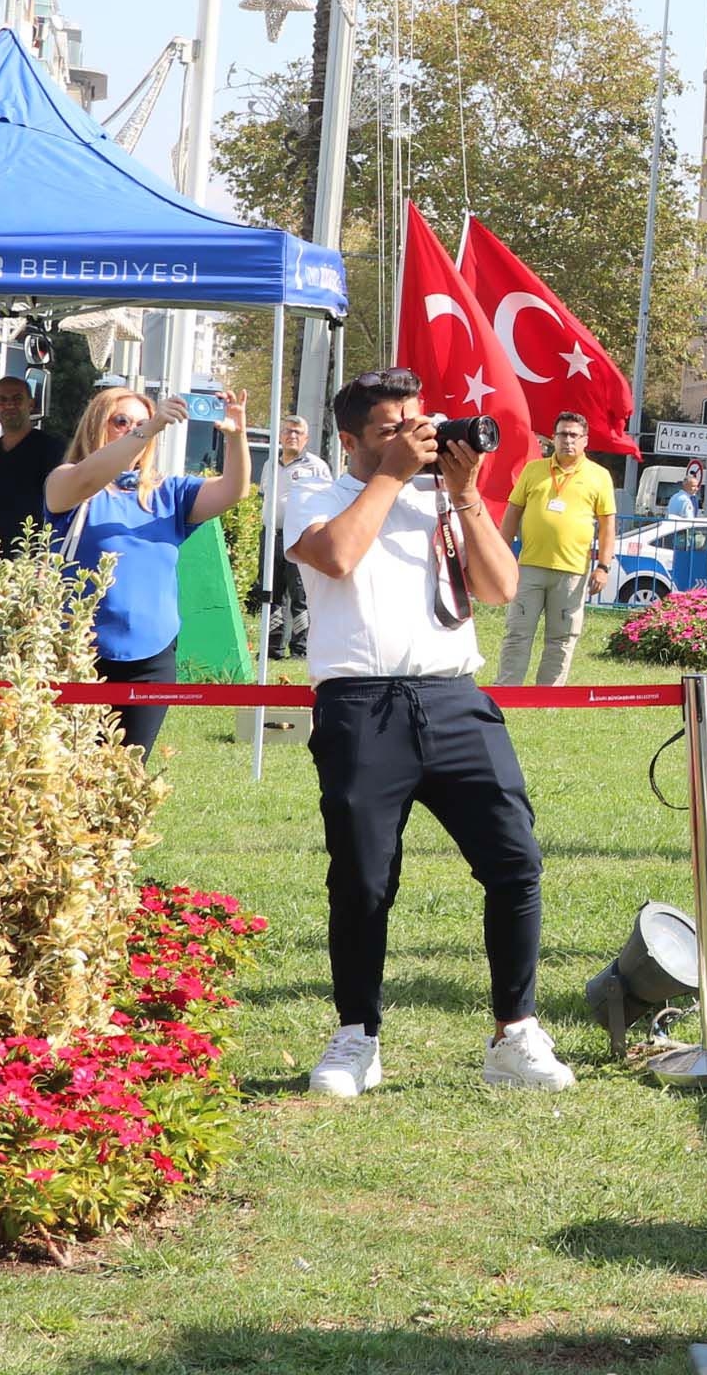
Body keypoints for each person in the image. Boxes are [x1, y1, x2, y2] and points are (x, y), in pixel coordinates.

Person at [286, 367, 571, 1098]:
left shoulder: (442, 498)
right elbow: (338, 556)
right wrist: (391, 475)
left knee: (516, 861)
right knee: (363, 879)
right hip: (361, 706)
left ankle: (515, 1032)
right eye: (391, 429)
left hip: (453, 697)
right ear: (349, 440)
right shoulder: (317, 493)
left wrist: (467, 493)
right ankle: (357, 1035)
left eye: (420, 423)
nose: (416, 438)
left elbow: (502, 588)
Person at [45, 387, 251, 752]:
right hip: (77, 654)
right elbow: (85, 479)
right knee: (73, 772)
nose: (134, 430)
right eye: (120, 422)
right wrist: (151, 426)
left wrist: (236, 438)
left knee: (127, 773)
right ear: (97, 426)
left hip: (151, 658)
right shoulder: (69, 481)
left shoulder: (167, 493)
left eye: (140, 423)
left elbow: (233, 491)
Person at [496, 412, 617, 686]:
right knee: (517, 632)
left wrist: (603, 566)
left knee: (561, 638)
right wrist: (502, 555)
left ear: (585, 441)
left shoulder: (599, 476)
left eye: (574, 435)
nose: (567, 440)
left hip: (572, 571)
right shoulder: (533, 470)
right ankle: (507, 692)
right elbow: (513, 513)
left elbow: (608, 526)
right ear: (553, 438)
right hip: (529, 567)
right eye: (562, 434)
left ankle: (548, 697)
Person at [265, 415, 337, 661]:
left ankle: (300, 648)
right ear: (280, 435)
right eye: (287, 431)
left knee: (299, 593)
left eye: (297, 432)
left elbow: (328, 501)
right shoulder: (270, 464)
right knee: (271, 591)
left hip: (300, 538)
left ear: (306, 438)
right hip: (271, 535)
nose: (292, 436)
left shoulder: (315, 466)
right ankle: (273, 647)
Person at [0, 375, 65, 551]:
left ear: (31, 404)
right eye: (2, 400)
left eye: (17, 398)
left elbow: (62, 508)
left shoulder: (54, 450)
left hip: (33, 561)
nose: (10, 405)